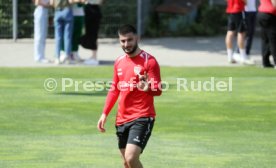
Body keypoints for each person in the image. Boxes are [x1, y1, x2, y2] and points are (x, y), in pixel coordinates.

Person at [97, 24, 162, 168]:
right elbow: (114, 89)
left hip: (142, 116)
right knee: (127, 163)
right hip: (122, 119)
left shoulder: (149, 61)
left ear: (137, 38)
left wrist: (148, 88)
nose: (126, 44)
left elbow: (157, 89)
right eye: (123, 41)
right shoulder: (119, 62)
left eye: (130, 40)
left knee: (131, 158)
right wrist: (104, 114)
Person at [50, 0, 74, 64]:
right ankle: (67, 58)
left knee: (58, 37)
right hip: (67, 10)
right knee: (67, 36)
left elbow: (51, 3)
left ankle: (57, 57)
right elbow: (71, 1)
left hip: (58, 11)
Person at [81, 0, 104, 65]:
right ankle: (93, 56)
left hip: (92, 11)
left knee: (93, 35)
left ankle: (94, 58)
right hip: (91, 10)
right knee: (92, 35)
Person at [258, 0, 276, 68]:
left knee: (265, 39)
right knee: (273, 39)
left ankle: (265, 62)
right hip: (270, 14)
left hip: (261, 13)